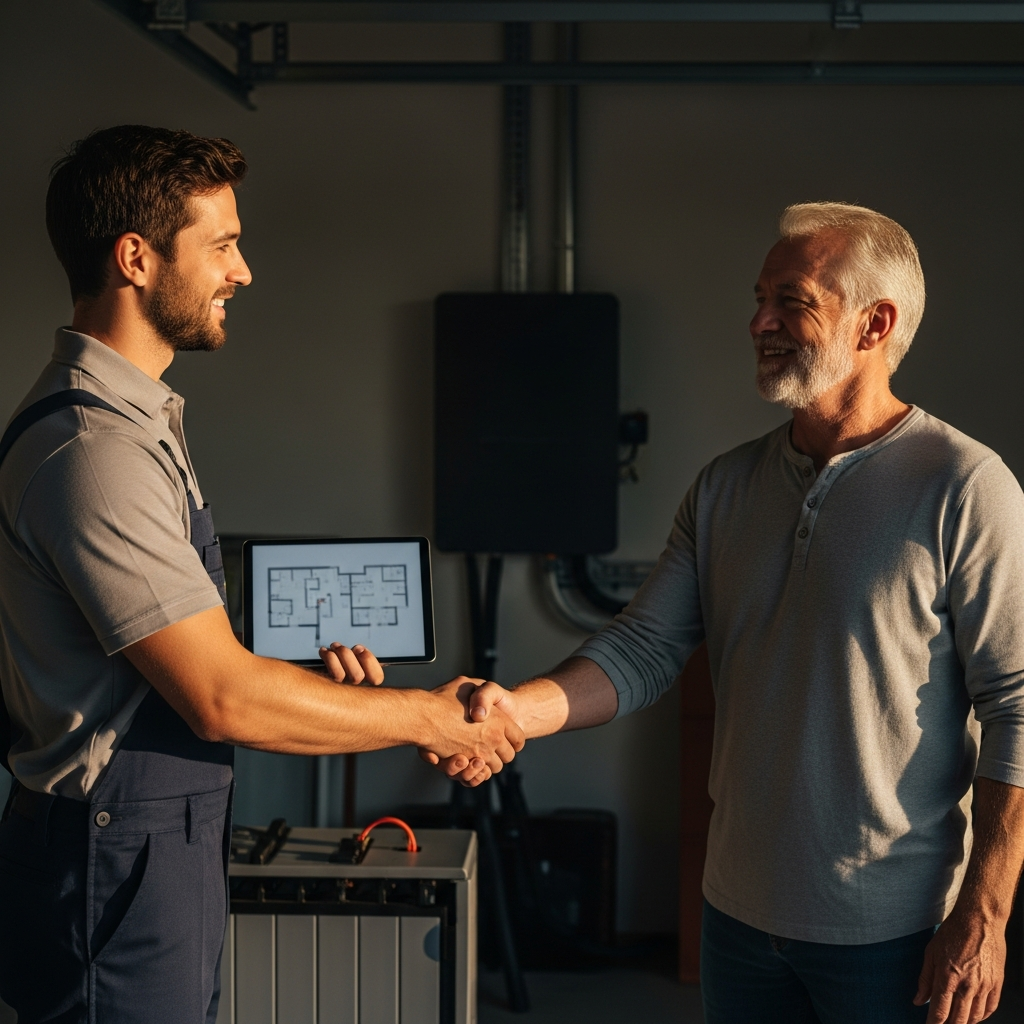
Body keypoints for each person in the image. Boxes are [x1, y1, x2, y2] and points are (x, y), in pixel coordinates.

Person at [423, 203, 1024, 1023]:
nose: (758, 323)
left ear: (874, 324)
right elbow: (643, 648)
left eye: (791, 302)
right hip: (736, 919)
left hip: (893, 933)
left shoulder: (966, 487)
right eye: (759, 300)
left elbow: (1016, 706)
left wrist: (984, 914)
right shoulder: (725, 486)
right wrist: (512, 714)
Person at [0, 125, 522, 1024]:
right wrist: (431, 717)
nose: (242, 272)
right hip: (114, 855)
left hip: (150, 844)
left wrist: (305, 690)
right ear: (136, 257)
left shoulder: (134, 427)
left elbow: (182, 672)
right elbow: (221, 699)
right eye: (222, 245)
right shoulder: (95, 452)